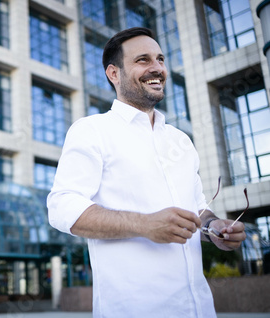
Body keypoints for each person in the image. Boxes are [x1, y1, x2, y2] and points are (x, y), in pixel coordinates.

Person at [47, 27, 247, 318]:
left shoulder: (181, 141)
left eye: (160, 59)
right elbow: (62, 206)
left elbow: (198, 209)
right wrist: (144, 224)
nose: (157, 68)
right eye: (143, 60)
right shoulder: (91, 131)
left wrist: (214, 229)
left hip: (201, 310)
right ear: (113, 74)